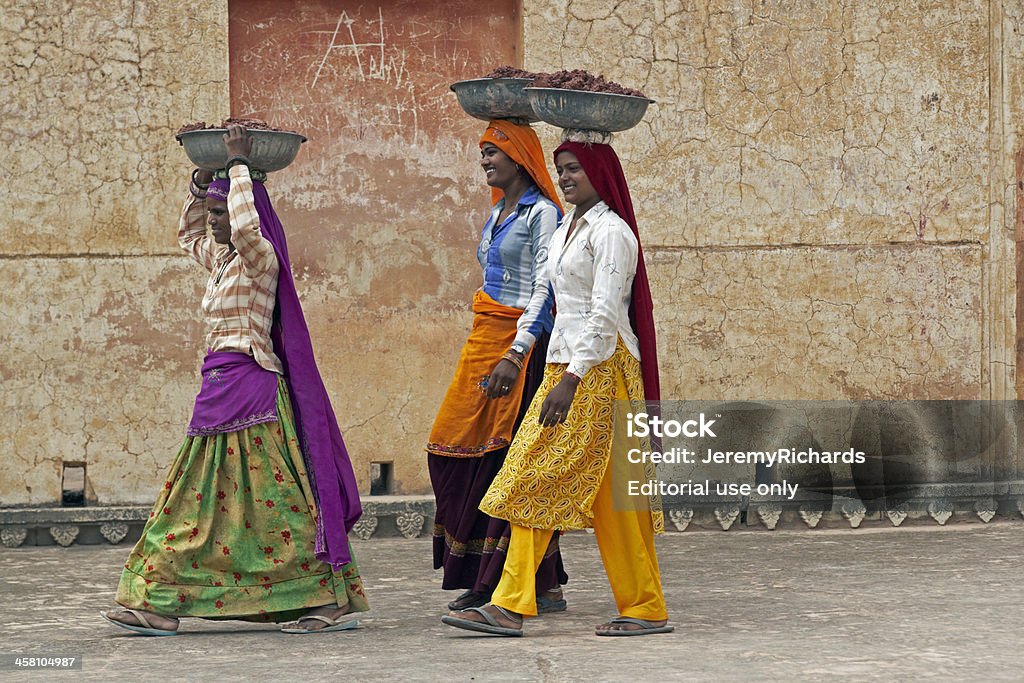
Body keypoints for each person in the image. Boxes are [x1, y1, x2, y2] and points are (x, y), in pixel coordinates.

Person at [102, 125, 368, 635]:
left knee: (279, 501)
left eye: (223, 213)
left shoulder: (258, 259)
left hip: (254, 390)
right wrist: (201, 185)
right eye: (216, 213)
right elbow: (187, 237)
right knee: (194, 499)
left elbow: (247, 230)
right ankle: (159, 600)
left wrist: (241, 165)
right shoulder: (221, 261)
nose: (217, 221)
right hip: (217, 388)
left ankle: (324, 599)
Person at [442, 137, 672, 637]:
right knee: (555, 485)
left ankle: (526, 604)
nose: (565, 177)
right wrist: (521, 352)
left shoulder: (613, 234)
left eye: (574, 169)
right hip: (564, 368)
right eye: (560, 170)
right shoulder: (566, 228)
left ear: (598, 173)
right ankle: (636, 605)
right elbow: (545, 297)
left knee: (562, 485)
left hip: (599, 373)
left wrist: (571, 377)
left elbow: (606, 314)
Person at [425, 120, 568, 613]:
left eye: (493, 152)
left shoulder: (542, 213)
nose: (485, 160)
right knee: (450, 448)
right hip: (483, 338)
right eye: (482, 152)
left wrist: (517, 352)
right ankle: (540, 580)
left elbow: (545, 289)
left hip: (519, 347)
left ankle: (496, 583)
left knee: (504, 461)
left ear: (520, 157)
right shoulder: (497, 214)